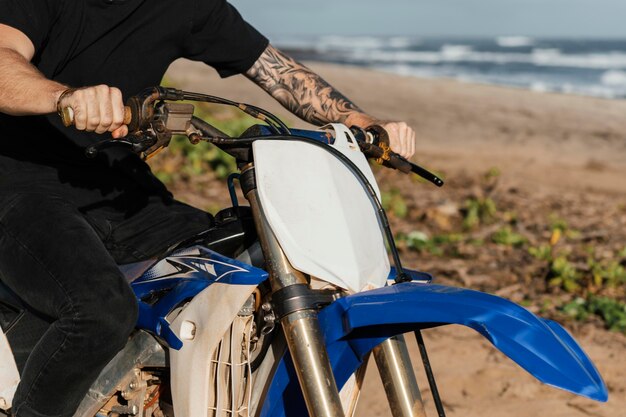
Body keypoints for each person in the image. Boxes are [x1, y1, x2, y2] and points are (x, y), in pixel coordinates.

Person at [0, 1, 417, 416]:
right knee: (99, 310)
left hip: (122, 191)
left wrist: (360, 122)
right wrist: (64, 97)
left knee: (257, 262)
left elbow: (278, 72)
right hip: (19, 186)